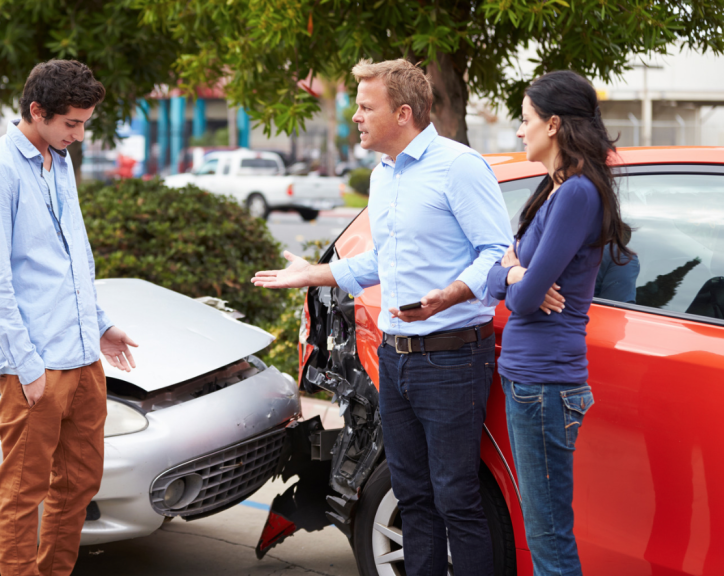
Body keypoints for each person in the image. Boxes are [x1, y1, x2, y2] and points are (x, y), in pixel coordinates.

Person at [253, 58, 512, 576]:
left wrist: (452, 293)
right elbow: (379, 262)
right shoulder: (382, 175)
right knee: (412, 496)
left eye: (366, 106)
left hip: (452, 358)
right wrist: (313, 275)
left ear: (404, 112)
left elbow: (498, 251)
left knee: (456, 498)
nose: (355, 116)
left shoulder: (459, 166)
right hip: (395, 357)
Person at [0, 60, 139, 576]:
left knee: (80, 483)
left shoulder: (58, 159)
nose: (80, 135)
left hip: (83, 355)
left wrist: (102, 326)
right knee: (23, 492)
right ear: (37, 112)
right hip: (35, 363)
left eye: (85, 123)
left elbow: (72, 258)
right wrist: (26, 365)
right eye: (72, 123)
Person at [485, 70, 633, 576]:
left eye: (524, 121)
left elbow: (524, 299)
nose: (519, 131)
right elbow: (500, 277)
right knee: (545, 529)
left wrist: (513, 274)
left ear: (552, 124)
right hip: (533, 381)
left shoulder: (576, 194)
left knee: (548, 538)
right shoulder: (555, 189)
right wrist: (514, 272)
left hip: (545, 384)